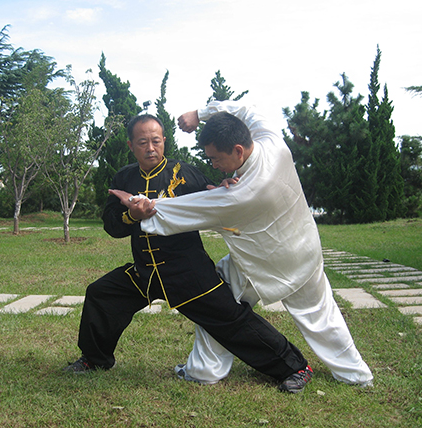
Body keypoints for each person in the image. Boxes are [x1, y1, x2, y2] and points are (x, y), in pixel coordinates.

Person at [64, 113, 314, 394]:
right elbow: (112, 224)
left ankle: (295, 367)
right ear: (131, 145)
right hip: (145, 272)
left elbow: (213, 194)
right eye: (143, 142)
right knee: (102, 293)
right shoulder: (125, 176)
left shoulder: (183, 172)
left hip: (187, 273)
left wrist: (223, 188)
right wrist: (131, 216)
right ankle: (94, 360)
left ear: (164, 141)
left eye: (156, 141)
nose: (150, 148)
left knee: (231, 320)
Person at [140, 101, 373, 387]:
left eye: (215, 158)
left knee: (220, 303)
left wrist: (144, 206)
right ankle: (356, 375)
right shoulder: (273, 142)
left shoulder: (245, 193)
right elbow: (245, 110)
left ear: (238, 150)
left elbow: (187, 210)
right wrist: (200, 115)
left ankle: (205, 371)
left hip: (265, 261)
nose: (212, 164)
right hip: (303, 249)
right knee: (318, 316)